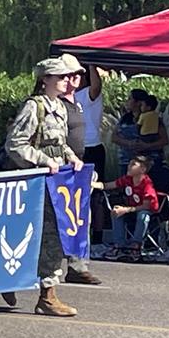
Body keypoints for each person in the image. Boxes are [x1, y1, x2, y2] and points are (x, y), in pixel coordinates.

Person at [2, 57, 84, 317]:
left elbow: (58, 143)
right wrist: (43, 160)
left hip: (57, 183)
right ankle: (14, 279)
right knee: (34, 236)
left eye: (67, 76)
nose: (65, 81)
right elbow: (15, 143)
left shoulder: (59, 107)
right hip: (37, 183)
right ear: (45, 80)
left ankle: (46, 294)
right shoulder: (33, 107)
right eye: (59, 77)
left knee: (55, 236)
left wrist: (70, 157)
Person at [58, 54, 101, 284]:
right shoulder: (53, 103)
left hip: (79, 167)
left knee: (81, 216)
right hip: (59, 167)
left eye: (78, 74)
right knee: (56, 219)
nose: (75, 78)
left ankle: (77, 265)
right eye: (70, 74)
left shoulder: (77, 102)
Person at [92, 155, 159, 261]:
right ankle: (119, 245)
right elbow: (109, 185)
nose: (129, 166)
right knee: (116, 212)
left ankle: (136, 245)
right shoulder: (127, 179)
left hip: (146, 210)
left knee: (143, 216)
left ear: (143, 169)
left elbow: (147, 205)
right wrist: (93, 184)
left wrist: (127, 209)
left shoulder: (147, 184)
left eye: (133, 164)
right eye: (129, 163)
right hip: (131, 209)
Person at [74, 63, 106, 244]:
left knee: (96, 194)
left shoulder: (89, 95)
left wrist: (92, 64)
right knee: (77, 193)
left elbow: (96, 87)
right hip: (76, 149)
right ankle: (78, 232)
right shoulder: (68, 96)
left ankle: (98, 236)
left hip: (93, 147)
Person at [112, 89, 169, 171]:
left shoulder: (153, 119)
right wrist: (129, 143)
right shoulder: (125, 119)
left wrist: (147, 146)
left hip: (150, 164)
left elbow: (164, 140)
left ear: (139, 102)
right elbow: (114, 137)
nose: (127, 101)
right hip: (127, 163)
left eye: (130, 99)